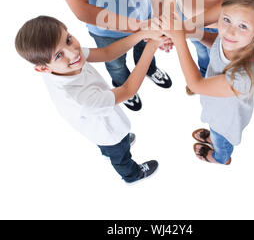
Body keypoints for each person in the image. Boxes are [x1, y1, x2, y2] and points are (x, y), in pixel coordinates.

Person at [15, 16, 167, 183]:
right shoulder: (82, 99)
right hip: (109, 132)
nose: (73, 52)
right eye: (59, 55)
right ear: (42, 68)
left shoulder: (63, 62)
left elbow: (107, 53)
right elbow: (128, 90)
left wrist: (143, 34)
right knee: (120, 154)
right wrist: (152, 45)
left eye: (68, 39)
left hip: (93, 125)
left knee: (108, 145)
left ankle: (109, 150)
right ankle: (132, 174)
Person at [159, 0, 254, 165]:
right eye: (226, 19)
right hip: (217, 108)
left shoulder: (247, 76)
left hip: (226, 120)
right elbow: (218, 45)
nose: (229, 31)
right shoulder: (236, 40)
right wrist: (193, 34)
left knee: (221, 139)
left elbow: (196, 84)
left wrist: (179, 38)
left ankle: (220, 157)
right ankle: (213, 137)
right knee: (214, 130)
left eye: (243, 25)